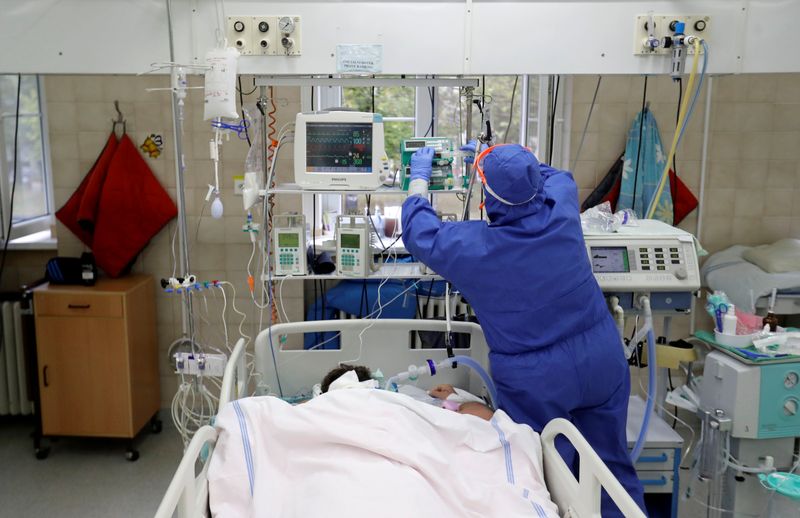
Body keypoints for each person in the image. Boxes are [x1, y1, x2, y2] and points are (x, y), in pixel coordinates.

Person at [400, 144, 646, 516]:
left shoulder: (475, 248)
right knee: (610, 467)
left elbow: (420, 233)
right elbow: (554, 175)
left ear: (488, 198)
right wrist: (498, 156)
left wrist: (418, 181)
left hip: (540, 379)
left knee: (538, 475)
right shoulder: (562, 208)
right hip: (601, 358)